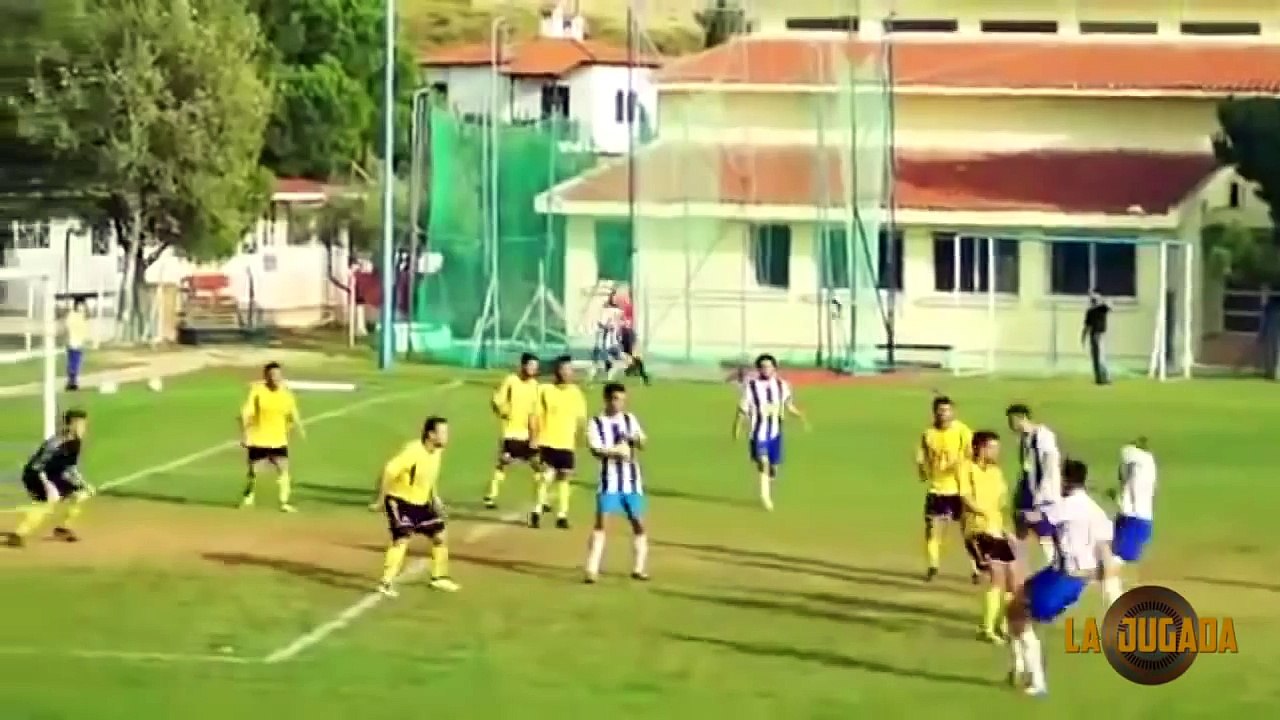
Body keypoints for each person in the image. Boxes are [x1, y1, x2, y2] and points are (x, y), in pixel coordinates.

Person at [1004, 458, 1114, 697]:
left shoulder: (1067, 506)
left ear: (1064, 480)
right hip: (1070, 575)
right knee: (1014, 607)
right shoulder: (1097, 511)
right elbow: (1105, 551)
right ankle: (1019, 667)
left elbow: (1038, 521)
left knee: (1020, 616)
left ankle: (1036, 680)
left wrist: (1020, 514)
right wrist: (1103, 579)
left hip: (1064, 577)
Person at [374, 416, 459, 596]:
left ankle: (439, 577)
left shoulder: (436, 452)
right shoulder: (412, 451)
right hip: (399, 500)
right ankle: (386, 582)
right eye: (443, 432)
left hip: (421, 502)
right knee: (402, 538)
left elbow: (429, 476)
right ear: (431, 435)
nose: (447, 436)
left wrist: (435, 497)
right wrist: (381, 499)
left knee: (440, 536)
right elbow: (388, 471)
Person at [584, 382, 650, 583]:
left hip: (631, 481)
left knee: (638, 522)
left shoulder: (630, 419)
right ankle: (591, 568)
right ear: (606, 399)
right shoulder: (595, 423)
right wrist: (615, 451)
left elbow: (643, 442)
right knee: (602, 522)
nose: (619, 404)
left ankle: (639, 568)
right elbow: (595, 450)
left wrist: (637, 440)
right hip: (609, 480)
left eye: (622, 399)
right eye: (615, 399)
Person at [959, 430, 1019, 643]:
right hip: (978, 529)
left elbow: (1001, 502)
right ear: (979, 447)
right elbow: (965, 497)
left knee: (1013, 578)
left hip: (996, 529)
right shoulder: (966, 468)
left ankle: (1004, 624)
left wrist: (1004, 528)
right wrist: (982, 513)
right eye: (992, 447)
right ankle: (986, 628)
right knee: (997, 576)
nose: (996, 451)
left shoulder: (996, 472)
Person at [5, 409, 92, 547]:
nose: (84, 428)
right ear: (71, 425)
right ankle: (18, 535)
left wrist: (83, 483)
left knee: (82, 494)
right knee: (49, 501)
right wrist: (48, 487)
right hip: (36, 474)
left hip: (53, 474)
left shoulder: (76, 441)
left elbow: (70, 467)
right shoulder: (56, 443)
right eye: (81, 424)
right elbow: (38, 466)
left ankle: (62, 529)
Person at [733, 353, 807, 511]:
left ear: (774, 368)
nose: (766, 369)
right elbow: (742, 410)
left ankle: (768, 480)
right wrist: (736, 429)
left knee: (773, 468)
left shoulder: (782, 385)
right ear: (759, 369)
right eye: (763, 366)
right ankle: (765, 497)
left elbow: (788, 405)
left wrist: (800, 416)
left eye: (769, 366)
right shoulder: (751, 387)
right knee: (763, 463)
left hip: (775, 433)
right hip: (758, 432)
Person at [916, 396, 976, 582]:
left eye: (947, 410)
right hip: (938, 489)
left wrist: (963, 468)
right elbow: (922, 455)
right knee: (933, 530)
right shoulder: (928, 434)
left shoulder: (962, 431)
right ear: (934, 412)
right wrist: (922, 469)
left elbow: (973, 454)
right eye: (941, 411)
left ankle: (976, 568)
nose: (944, 414)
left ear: (953, 412)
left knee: (968, 532)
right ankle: (933, 567)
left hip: (960, 489)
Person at [239, 362, 304, 512]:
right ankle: (248, 496)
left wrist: (299, 426)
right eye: (272, 375)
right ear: (266, 376)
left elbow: (293, 411)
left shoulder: (286, 393)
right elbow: (246, 412)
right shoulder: (257, 391)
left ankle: (284, 502)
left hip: (278, 439)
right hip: (259, 438)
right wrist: (245, 432)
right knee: (254, 472)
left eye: (278, 375)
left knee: (284, 469)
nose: (275, 378)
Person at [532, 355, 587, 529]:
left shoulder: (576, 393)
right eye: (564, 369)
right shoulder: (545, 390)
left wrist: (579, 437)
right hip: (548, 440)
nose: (567, 373)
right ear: (557, 371)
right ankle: (538, 509)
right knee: (546, 476)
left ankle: (562, 515)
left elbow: (581, 418)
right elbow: (536, 415)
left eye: (570, 369)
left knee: (564, 477)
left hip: (566, 442)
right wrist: (534, 437)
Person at [484, 353, 542, 510]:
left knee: (536, 464)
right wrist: (503, 411)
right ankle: (491, 495)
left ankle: (541, 500)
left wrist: (534, 435)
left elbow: (534, 412)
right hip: (509, 431)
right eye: (530, 366)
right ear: (523, 365)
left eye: (535, 367)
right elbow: (496, 400)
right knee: (505, 462)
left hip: (525, 432)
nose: (533, 369)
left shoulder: (535, 386)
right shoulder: (511, 380)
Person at [1005, 403, 1061, 566]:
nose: (1010, 425)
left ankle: (1053, 565)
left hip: (1042, 493)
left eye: (1011, 420)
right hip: (1028, 490)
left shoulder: (1042, 435)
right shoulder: (1024, 438)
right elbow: (1027, 467)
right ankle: (1019, 565)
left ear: (1020, 418)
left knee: (1043, 531)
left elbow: (1050, 462)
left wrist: (1043, 492)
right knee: (1020, 521)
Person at [1103, 437, 1157, 604]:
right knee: (1108, 564)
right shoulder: (1143, 468)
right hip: (1131, 520)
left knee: (1110, 567)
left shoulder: (1140, 465)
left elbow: (1126, 453)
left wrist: (1117, 496)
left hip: (1133, 521)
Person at [588, 299, 625, 382]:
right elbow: (605, 327)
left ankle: (593, 378)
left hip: (603, 346)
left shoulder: (608, 321)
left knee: (598, 364)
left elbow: (612, 329)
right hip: (603, 346)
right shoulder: (604, 322)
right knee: (601, 364)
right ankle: (603, 377)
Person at [1082, 293, 1111, 385]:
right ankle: (1102, 378)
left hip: (1095, 335)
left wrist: (1083, 337)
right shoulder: (1102, 309)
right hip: (1099, 335)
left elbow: (1087, 326)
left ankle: (1099, 378)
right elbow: (1109, 306)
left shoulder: (1091, 311)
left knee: (1097, 357)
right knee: (1100, 357)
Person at [64, 299, 88, 391]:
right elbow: (68, 327)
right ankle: (72, 382)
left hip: (78, 342)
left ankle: (72, 381)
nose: (82, 307)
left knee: (76, 363)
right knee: (73, 363)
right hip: (73, 342)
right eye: (80, 305)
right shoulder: (72, 315)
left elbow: (87, 315)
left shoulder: (81, 315)